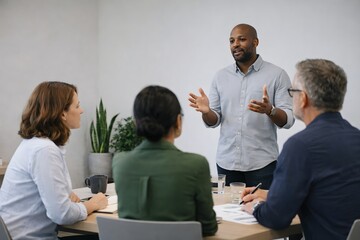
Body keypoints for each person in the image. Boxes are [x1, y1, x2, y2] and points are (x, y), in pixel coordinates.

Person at [241, 59, 360, 239]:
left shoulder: (301, 146)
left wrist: (255, 207)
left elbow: (276, 218)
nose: (291, 96)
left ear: (303, 98)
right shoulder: (356, 137)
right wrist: (269, 195)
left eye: (292, 91)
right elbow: (329, 193)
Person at [189, 23, 294, 189]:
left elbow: (288, 120)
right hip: (227, 162)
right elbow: (213, 121)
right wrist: (207, 112)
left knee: (263, 212)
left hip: (263, 164)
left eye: (242, 39)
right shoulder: (220, 76)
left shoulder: (277, 75)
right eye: (231, 41)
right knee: (228, 211)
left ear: (255, 42)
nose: (235, 44)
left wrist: (270, 110)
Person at [0, 81, 108, 240]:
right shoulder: (44, 150)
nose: (82, 110)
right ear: (62, 114)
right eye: (77, 106)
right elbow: (62, 214)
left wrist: (65, 196)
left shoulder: (35, 144)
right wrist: (93, 204)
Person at [112, 85, 218, 237]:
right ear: (178, 121)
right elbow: (208, 227)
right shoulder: (196, 165)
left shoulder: (120, 162)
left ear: (136, 123)